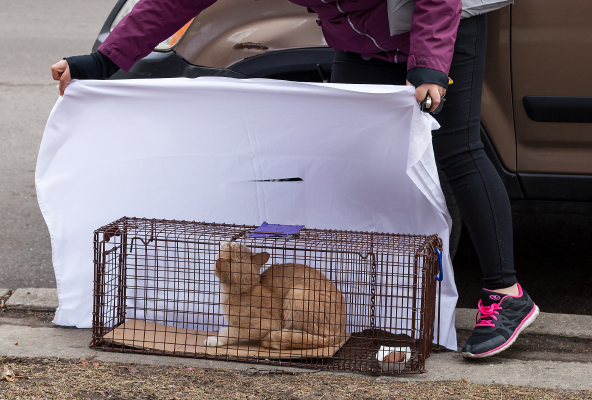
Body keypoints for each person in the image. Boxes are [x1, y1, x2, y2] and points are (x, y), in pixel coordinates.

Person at [51, 0, 539, 358]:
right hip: (360, 35)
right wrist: (105, 60)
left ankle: (505, 295)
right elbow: (175, 3)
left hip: (441, 21)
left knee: (457, 150)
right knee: (354, 159)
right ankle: (377, 304)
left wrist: (429, 64)